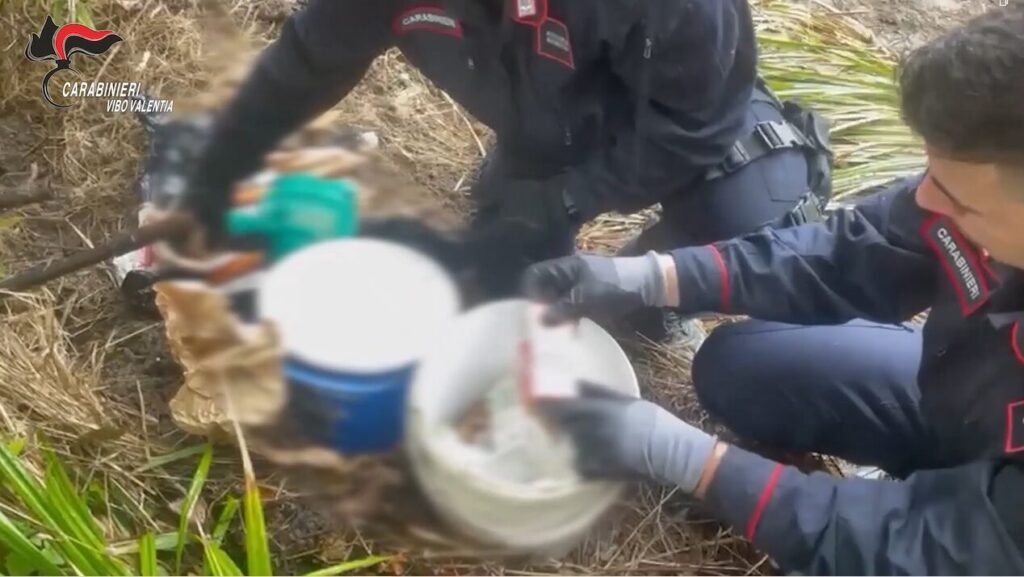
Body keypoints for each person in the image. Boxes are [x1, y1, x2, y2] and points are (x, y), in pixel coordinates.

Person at [521, 5, 1024, 574]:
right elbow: (848, 253)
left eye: (960, 200)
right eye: (928, 174)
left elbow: (933, 550)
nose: (926, 201)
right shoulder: (970, 193)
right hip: (966, 404)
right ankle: (932, 472)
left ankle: (933, 486)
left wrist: (690, 460)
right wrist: (650, 277)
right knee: (742, 365)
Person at [178, 0, 831, 290]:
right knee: (502, 271)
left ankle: (658, 290)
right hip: (549, 118)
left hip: (686, 108)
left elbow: (698, 120)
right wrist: (224, 165)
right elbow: (307, 63)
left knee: (746, 217)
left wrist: (574, 197)